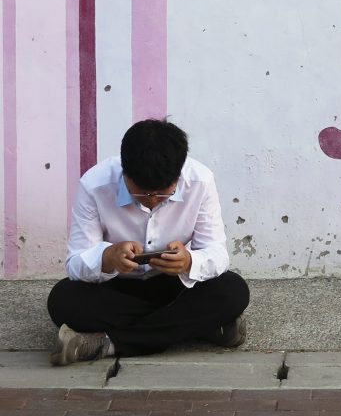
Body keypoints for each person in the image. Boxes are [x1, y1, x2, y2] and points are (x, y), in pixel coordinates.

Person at [47, 119, 250, 365]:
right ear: (125, 172)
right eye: (140, 193)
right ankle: (198, 326)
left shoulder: (200, 181)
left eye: (163, 193)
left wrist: (189, 261)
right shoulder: (94, 185)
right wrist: (108, 258)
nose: (152, 201)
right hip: (118, 288)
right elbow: (75, 262)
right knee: (63, 300)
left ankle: (106, 344)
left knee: (233, 290)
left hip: (175, 285)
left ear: (178, 174)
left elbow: (217, 254)